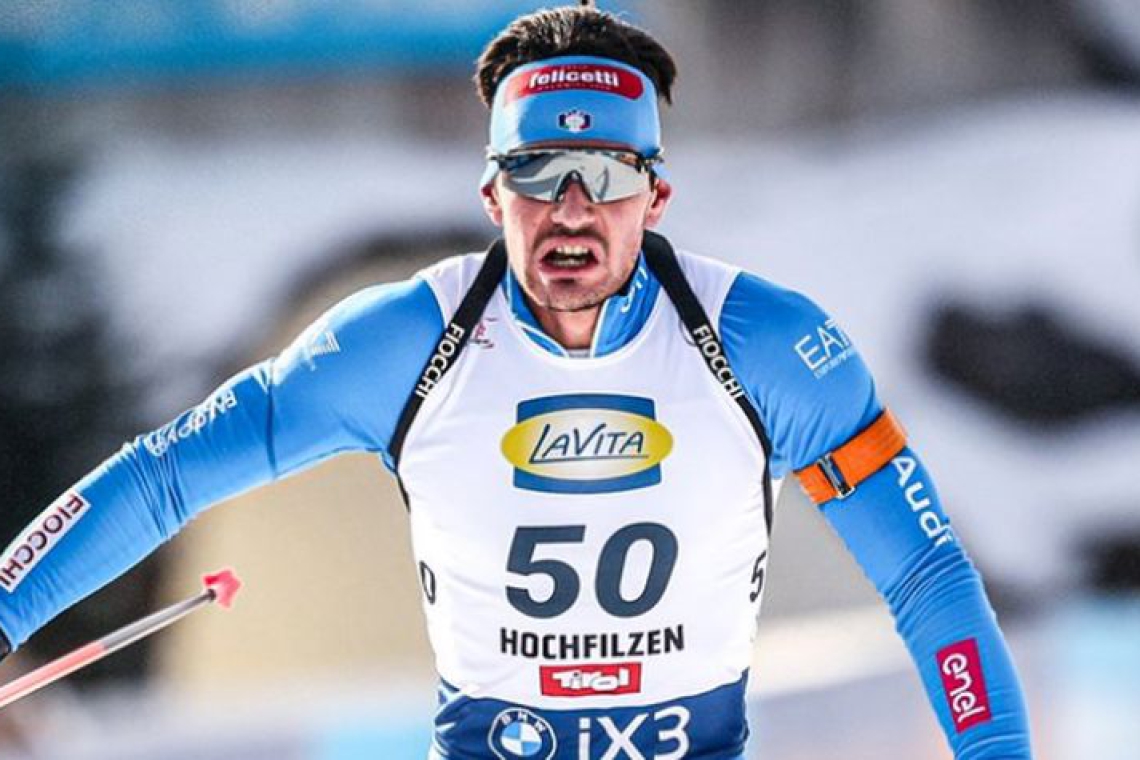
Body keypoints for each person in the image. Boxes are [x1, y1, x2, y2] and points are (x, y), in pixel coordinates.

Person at [0, 5, 1032, 759]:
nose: (571, 210)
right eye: (537, 172)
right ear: (493, 194)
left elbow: (925, 576)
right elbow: (165, 473)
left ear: (657, 195)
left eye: (608, 175)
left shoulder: (765, 345)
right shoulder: (407, 343)